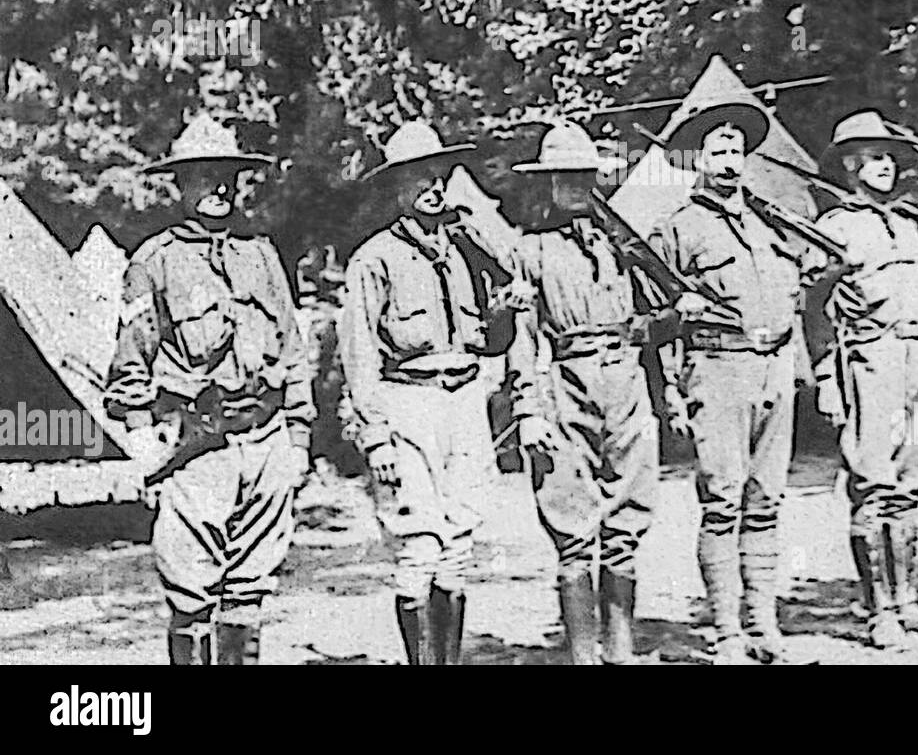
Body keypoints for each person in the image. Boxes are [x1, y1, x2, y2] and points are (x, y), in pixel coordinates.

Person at [105, 114, 314, 664]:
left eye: (227, 174)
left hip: (266, 440)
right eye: (203, 175)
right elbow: (129, 367)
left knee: (250, 590)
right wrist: (144, 443)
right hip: (198, 447)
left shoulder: (261, 254)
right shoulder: (153, 263)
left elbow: (291, 349)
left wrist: (297, 438)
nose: (218, 187)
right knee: (192, 593)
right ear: (179, 183)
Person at [648, 96, 822, 664]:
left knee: (767, 500)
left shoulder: (772, 222)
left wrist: (798, 368)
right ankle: (725, 631)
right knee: (722, 500)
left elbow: (795, 299)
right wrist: (672, 390)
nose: (729, 159)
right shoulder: (677, 229)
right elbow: (655, 320)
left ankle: (763, 626)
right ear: (697, 158)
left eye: (737, 149)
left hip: (773, 368)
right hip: (717, 372)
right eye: (717, 149)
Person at [340, 121, 515, 665]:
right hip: (407, 403)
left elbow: (490, 338)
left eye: (437, 174)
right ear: (396, 188)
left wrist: (506, 313)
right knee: (419, 547)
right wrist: (377, 438)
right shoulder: (375, 259)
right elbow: (359, 354)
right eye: (417, 178)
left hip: (463, 401)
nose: (432, 187)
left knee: (459, 547)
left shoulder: (467, 248)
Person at [507, 120, 663, 664]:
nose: (574, 185)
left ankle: (620, 650)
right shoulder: (529, 250)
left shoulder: (624, 245)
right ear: (546, 183)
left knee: (627, 525)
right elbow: (522, 341)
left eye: (583, 175)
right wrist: (528, 411)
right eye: (562, 176)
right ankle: (582, 655)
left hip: (626, 383)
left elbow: (656, 316)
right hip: (565, 385)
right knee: (572, 527)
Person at [812, 110, 918, 648]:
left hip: (917, 354)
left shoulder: (907, 223)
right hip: (868, 356)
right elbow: (816, 307)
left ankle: (907, 600)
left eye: (888, 156)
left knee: (912, 476)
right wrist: (826, 374)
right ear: (850, 166)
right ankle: (879, 612)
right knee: (872, 479)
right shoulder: (833, 228)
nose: (885, 166)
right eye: (873, 157)